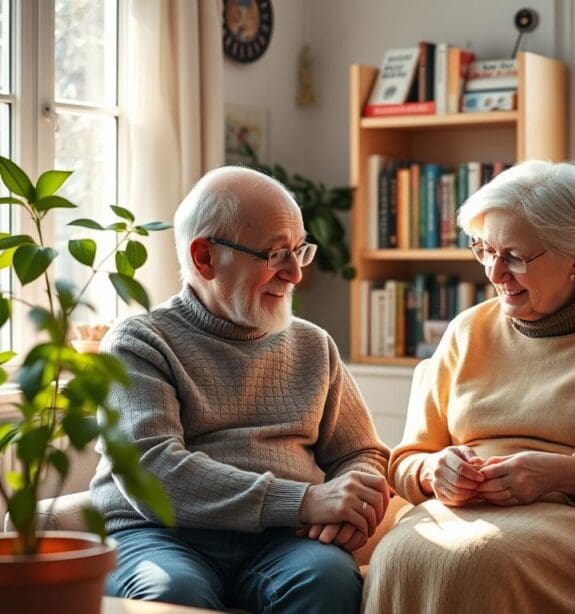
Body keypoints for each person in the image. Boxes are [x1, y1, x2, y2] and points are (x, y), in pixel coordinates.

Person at [363, 160, 575, 613]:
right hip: (465, 515)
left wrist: (564, 474)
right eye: (485, 250)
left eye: (515, 257)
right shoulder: (467, 330)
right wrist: (434, 471)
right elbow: (406, 460)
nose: (494, 273)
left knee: (480, 561)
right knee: (399, 553)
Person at [91, 166, 390, 613]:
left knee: (326, 579)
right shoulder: (138, 342)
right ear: (205, 258)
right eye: (274, 255)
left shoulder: (313, 345)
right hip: (156, 534)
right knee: (174, 593)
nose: (295, 274)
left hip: (280, 542)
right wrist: (305, 500)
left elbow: (361, 452)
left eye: (298, 251)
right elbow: (150, 470)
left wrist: (353, 501)